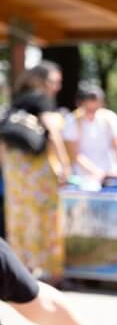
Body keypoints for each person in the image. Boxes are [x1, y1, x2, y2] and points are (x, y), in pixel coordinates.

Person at [2, 64, 71, 285]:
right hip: (37, 169)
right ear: (43, 82)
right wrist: (64, 164)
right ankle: (49, 272)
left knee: (19, 216)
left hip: (14, 170)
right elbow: (53, 133)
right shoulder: (41, 100)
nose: (57, 87)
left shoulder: (17, 100)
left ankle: (23, 269)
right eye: (54, 82)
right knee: (46, 216)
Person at [63, 82, 117, 179]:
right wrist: (97, 172)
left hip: (111, 173)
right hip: (83, 177)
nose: (92, 112)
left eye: (95, 108)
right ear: (80, 104)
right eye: (89, 109)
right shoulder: (72, 121)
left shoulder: (110, 118)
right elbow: (74, 154)